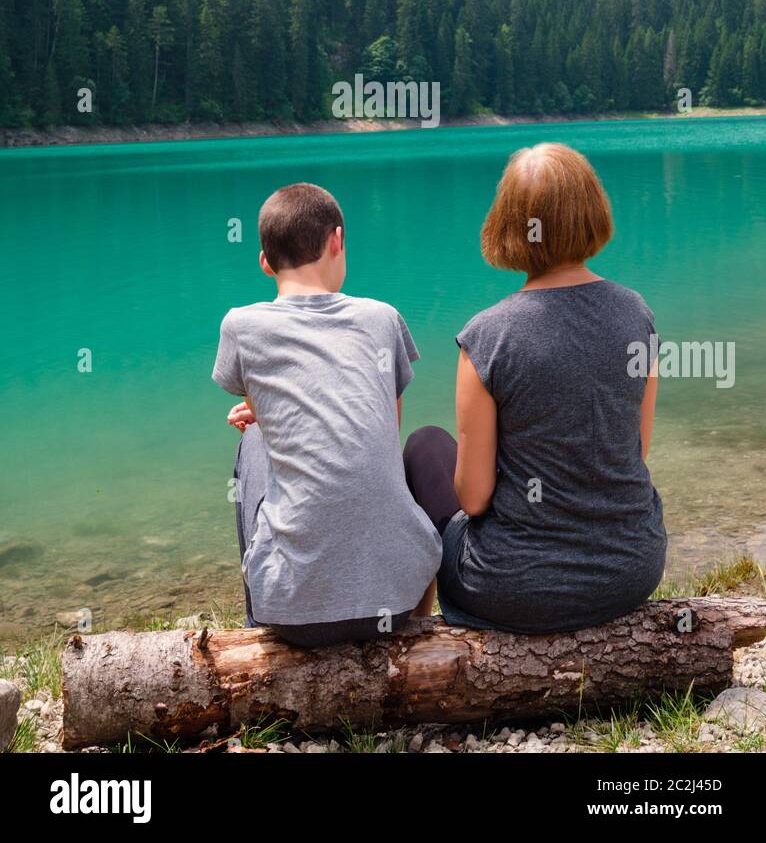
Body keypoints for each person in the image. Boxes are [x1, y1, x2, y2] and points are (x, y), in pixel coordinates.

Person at [403, 142, 667, 634]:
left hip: (513, 588)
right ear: (593, 214)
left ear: (507, 224)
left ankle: (419, 629)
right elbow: (636, 449)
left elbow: (475, 498)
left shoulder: (487, 336)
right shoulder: (637, 313)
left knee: (426, 445)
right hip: (632, 571)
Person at [212, 181, 442, 646]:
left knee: (253, 442)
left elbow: (267, 389)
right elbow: (383, 432)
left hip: (293, 616)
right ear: (337, 240)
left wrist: (260, 417)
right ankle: (422, 618)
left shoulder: (241, 325)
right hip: (394, 604)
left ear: (264, 262)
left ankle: (257, 622)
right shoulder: (382, 318)